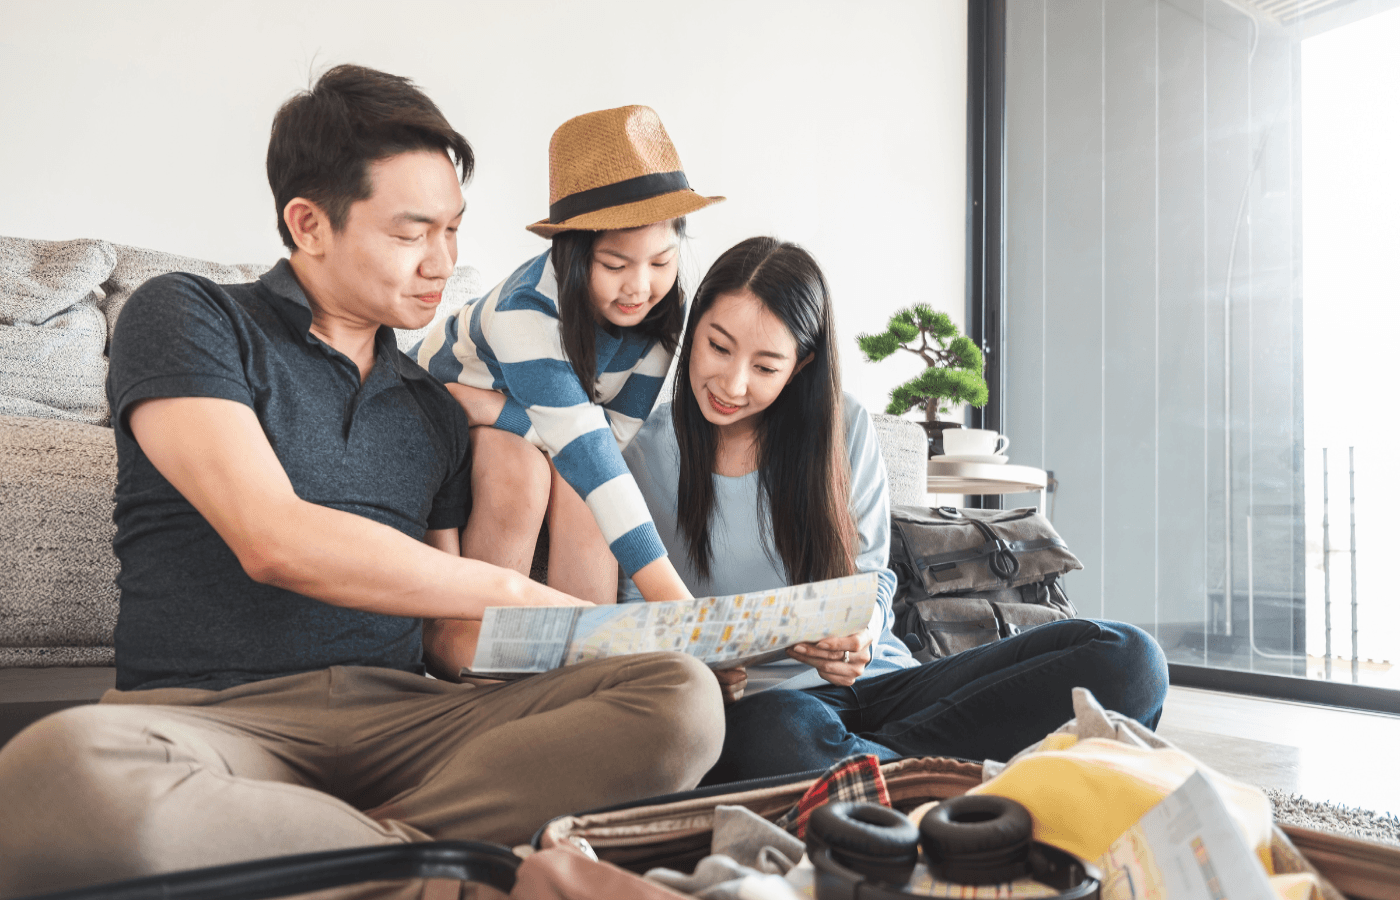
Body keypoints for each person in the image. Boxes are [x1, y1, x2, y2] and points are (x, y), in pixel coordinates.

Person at [0, 66, 723, 898]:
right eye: (413, 232)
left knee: (680, 699)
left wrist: (620, 644)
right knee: (59, 773)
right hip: (209, 719)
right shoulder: (189, 317)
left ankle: (354, 859)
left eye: (453, 231)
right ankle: (467, 866)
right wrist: (524, 596)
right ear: (307, 223)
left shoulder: (434, 408)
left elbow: (447, 641)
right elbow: (273, 539)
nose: (444, 264)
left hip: (408, 724)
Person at [619, 236, 1169, 784]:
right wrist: (702, 666)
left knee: (1129, 659)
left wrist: (864, 630)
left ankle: (888, 777)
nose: (732, 384)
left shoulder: (842, 425)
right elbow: (627, 611)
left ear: (800, 365)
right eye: (718, 347)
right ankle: (978, 777)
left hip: (890, 687)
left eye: (765, 367)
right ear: (694, 334)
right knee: (780, 738)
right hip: (768, 714)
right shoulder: (641, 453)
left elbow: (872, 576)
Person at [411, 106, 724, 679]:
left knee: (586, 496)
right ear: (573, 256)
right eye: (614, 264)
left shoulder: (662, 311)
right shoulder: (524, 311)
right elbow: (584, 449)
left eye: (661, 261)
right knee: (524, 474)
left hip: (519, 415)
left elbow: (610, 442)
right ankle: (478, 652)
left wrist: (507, 415)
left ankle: (587, 672)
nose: (641, 286)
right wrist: (678, 608)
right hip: (444, 407)